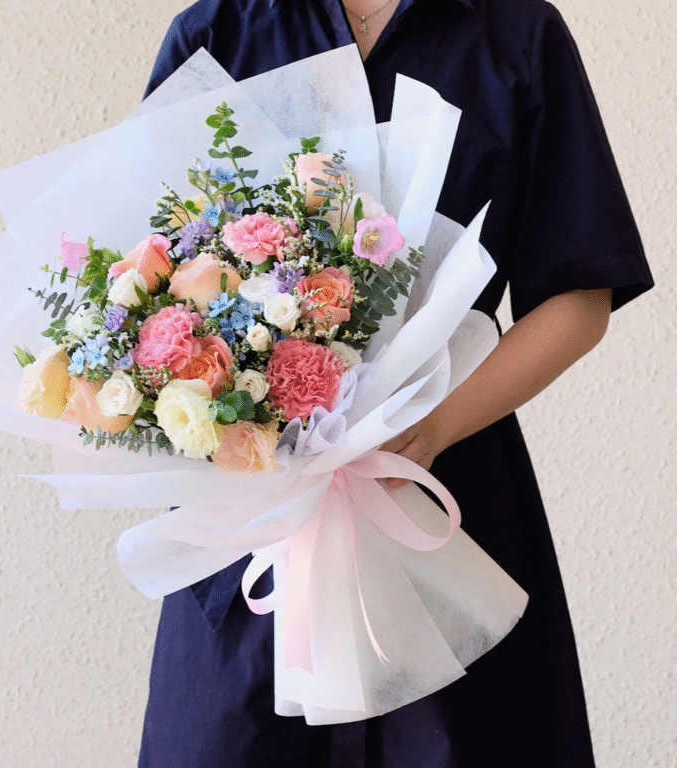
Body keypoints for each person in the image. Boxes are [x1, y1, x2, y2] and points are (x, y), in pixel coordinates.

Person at [136, 1, 654, 766]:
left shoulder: (518, 34)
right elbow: (144, 279)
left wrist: (434, 426)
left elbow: (579, 296)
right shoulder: (219, 32)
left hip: (443, 482)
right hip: (256, 511)